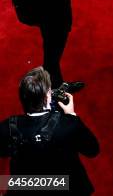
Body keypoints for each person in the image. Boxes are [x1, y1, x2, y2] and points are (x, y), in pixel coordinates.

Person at [0, 67, 99, 195]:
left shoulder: (6, 127)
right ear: (48, 96)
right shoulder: (69, 124)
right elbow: (92, 150)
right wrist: (72, 115)